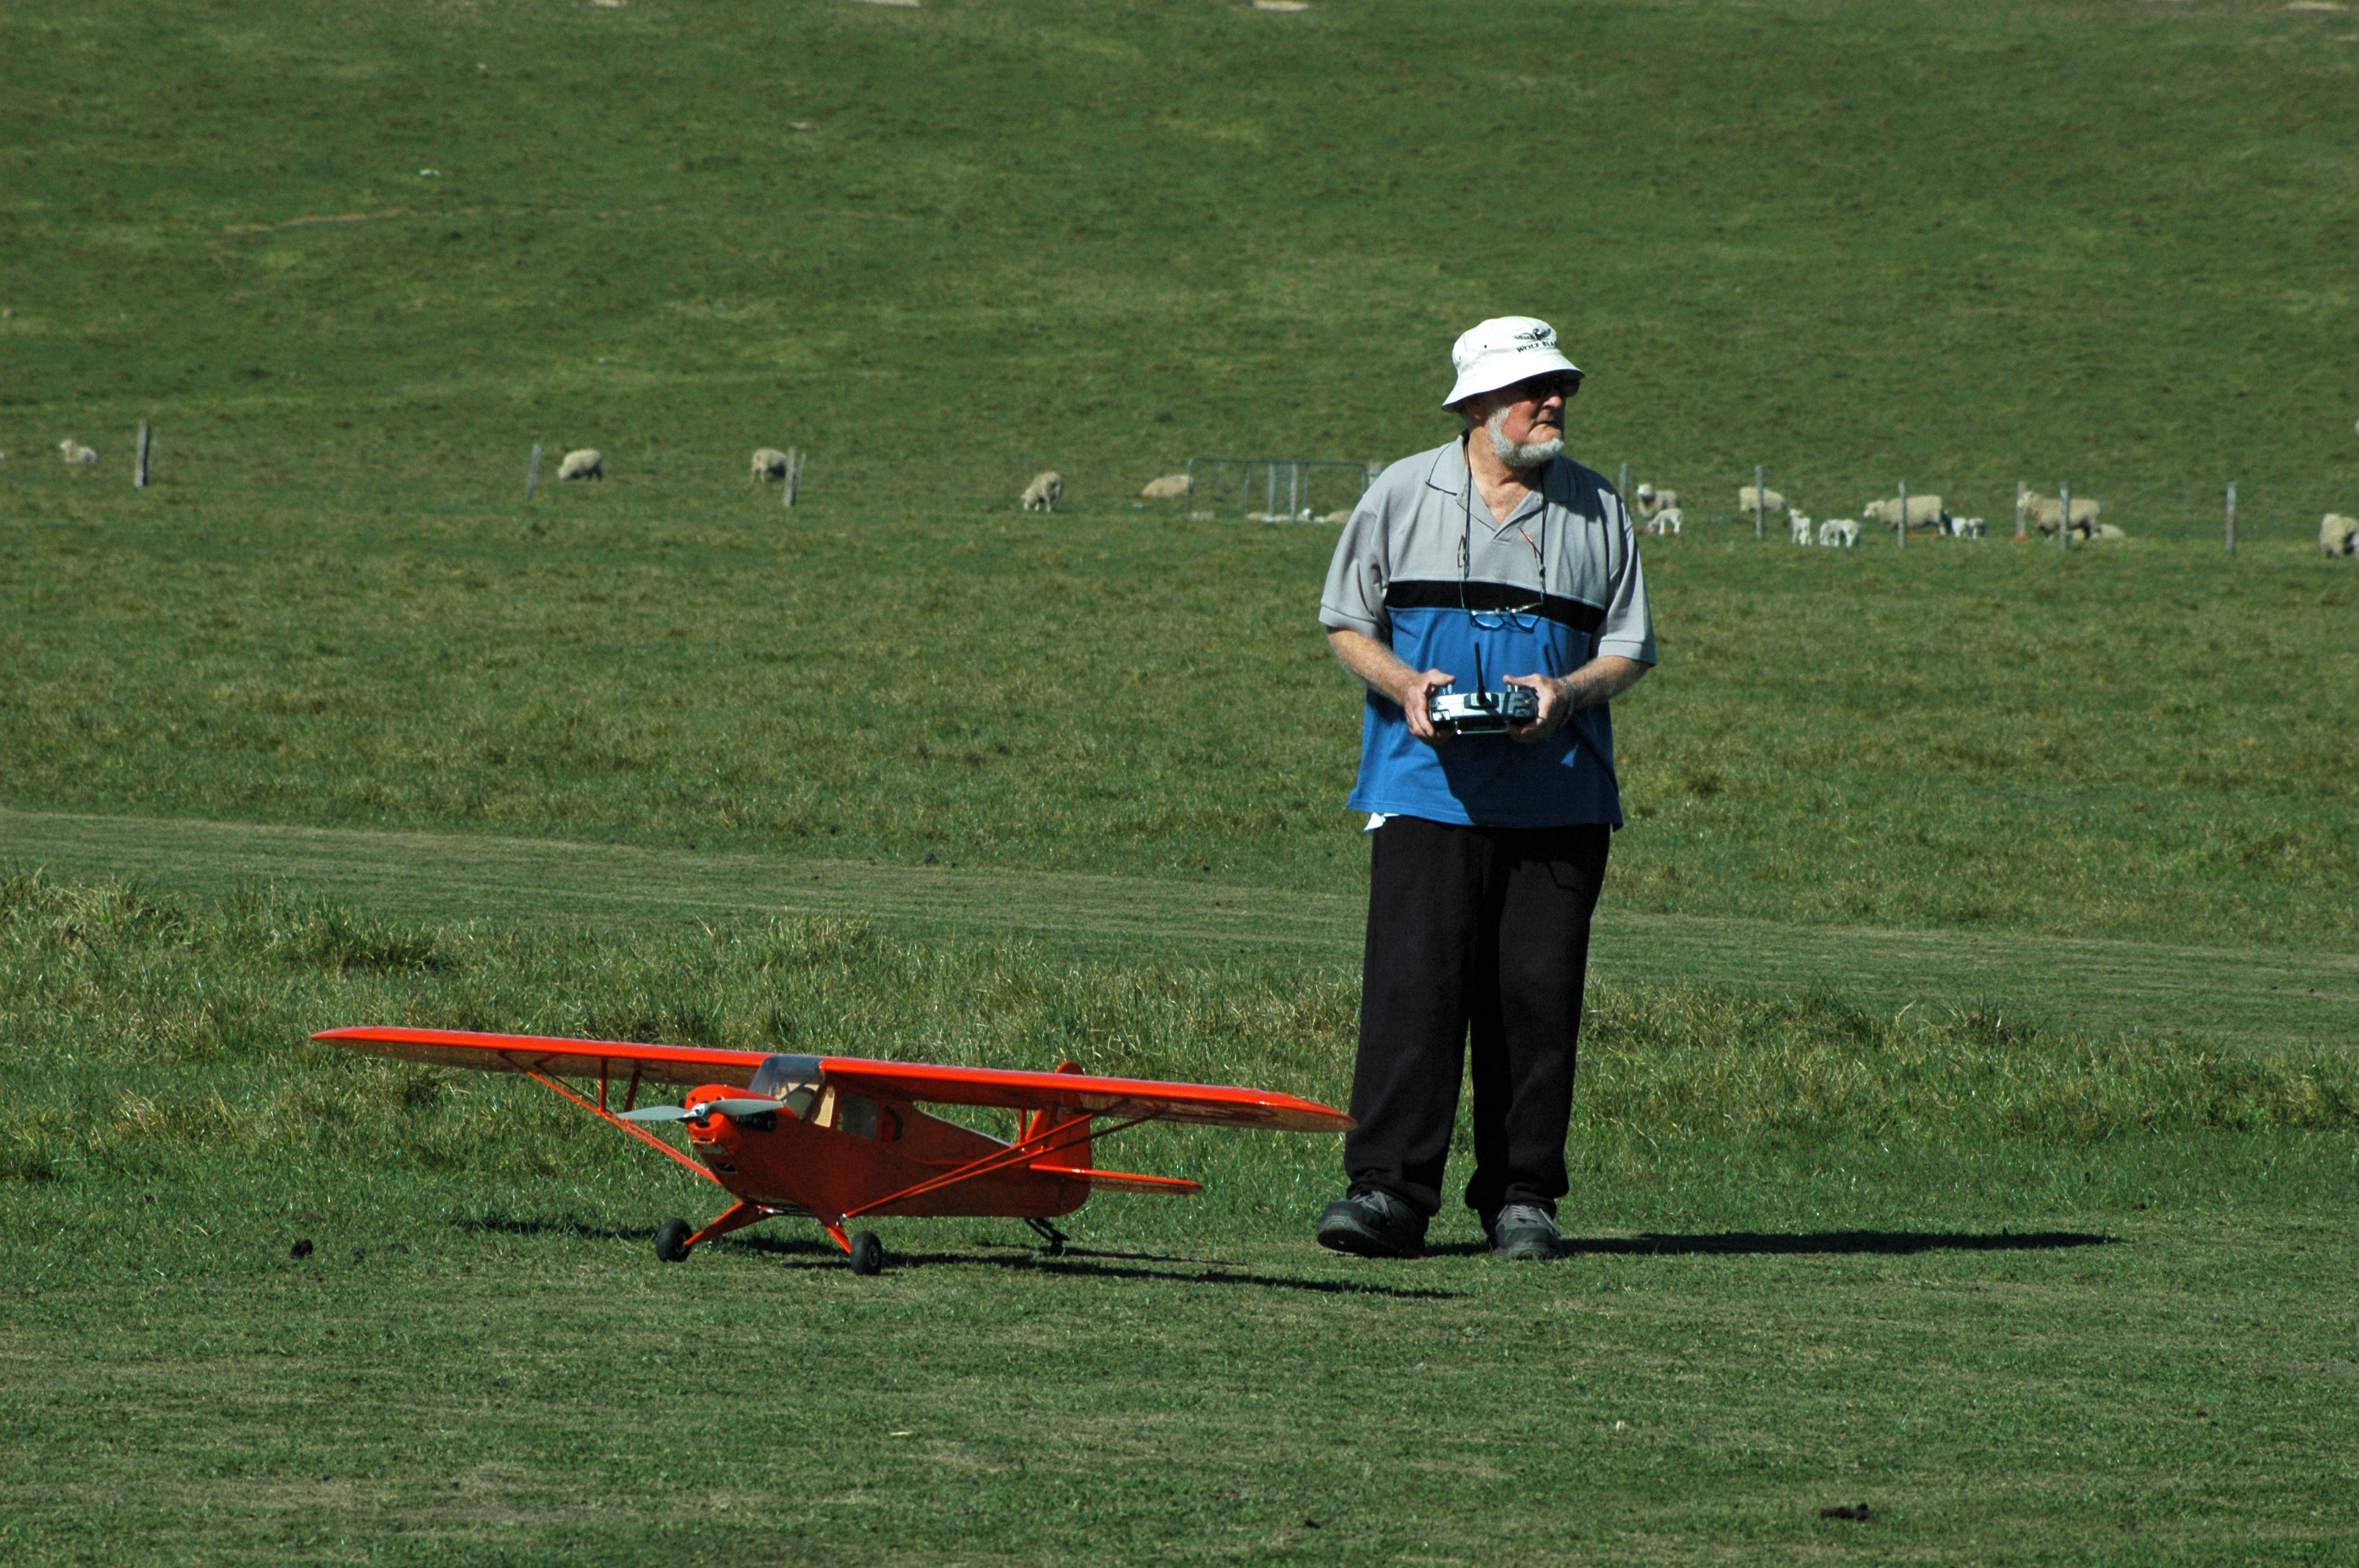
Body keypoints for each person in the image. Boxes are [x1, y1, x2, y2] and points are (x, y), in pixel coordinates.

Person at [1314, 315, 1656, 1261]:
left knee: (1534, 1003)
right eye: (1531, 389)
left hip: (1560, 798)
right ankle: (1385, 1192)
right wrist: (1404, 685)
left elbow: (1629, 646)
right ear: (1475, 403)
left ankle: (1521, 1200)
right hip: (1421, 788)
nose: (1553, 403)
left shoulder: (1599, 507)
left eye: (1560, 388)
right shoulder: (1397, 493)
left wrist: (1566, 693)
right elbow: (1344, 622)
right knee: (1411, 996)